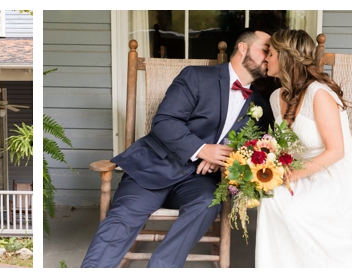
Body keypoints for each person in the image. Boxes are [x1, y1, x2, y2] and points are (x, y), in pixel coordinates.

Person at [81, 29, 276, 268]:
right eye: (265, 50)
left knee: (209, 202)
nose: (269, 57)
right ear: (243, 48)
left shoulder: (260, 106)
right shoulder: (196, 76)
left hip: (200, 180)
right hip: (153, 166)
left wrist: (223, 157)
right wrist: (202, 149)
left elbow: (252, 151)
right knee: (121, 219)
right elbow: (165, 122)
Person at [255, 29, 352, 267]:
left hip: (337, 174)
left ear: (285, 57)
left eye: (270, 53)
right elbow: (284, 144)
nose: (265, 59)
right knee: (271, 199)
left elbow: (336, 151)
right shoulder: (275, 96)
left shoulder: (318, 94)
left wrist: (294, 174)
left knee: (297, 212)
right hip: (301, 169)